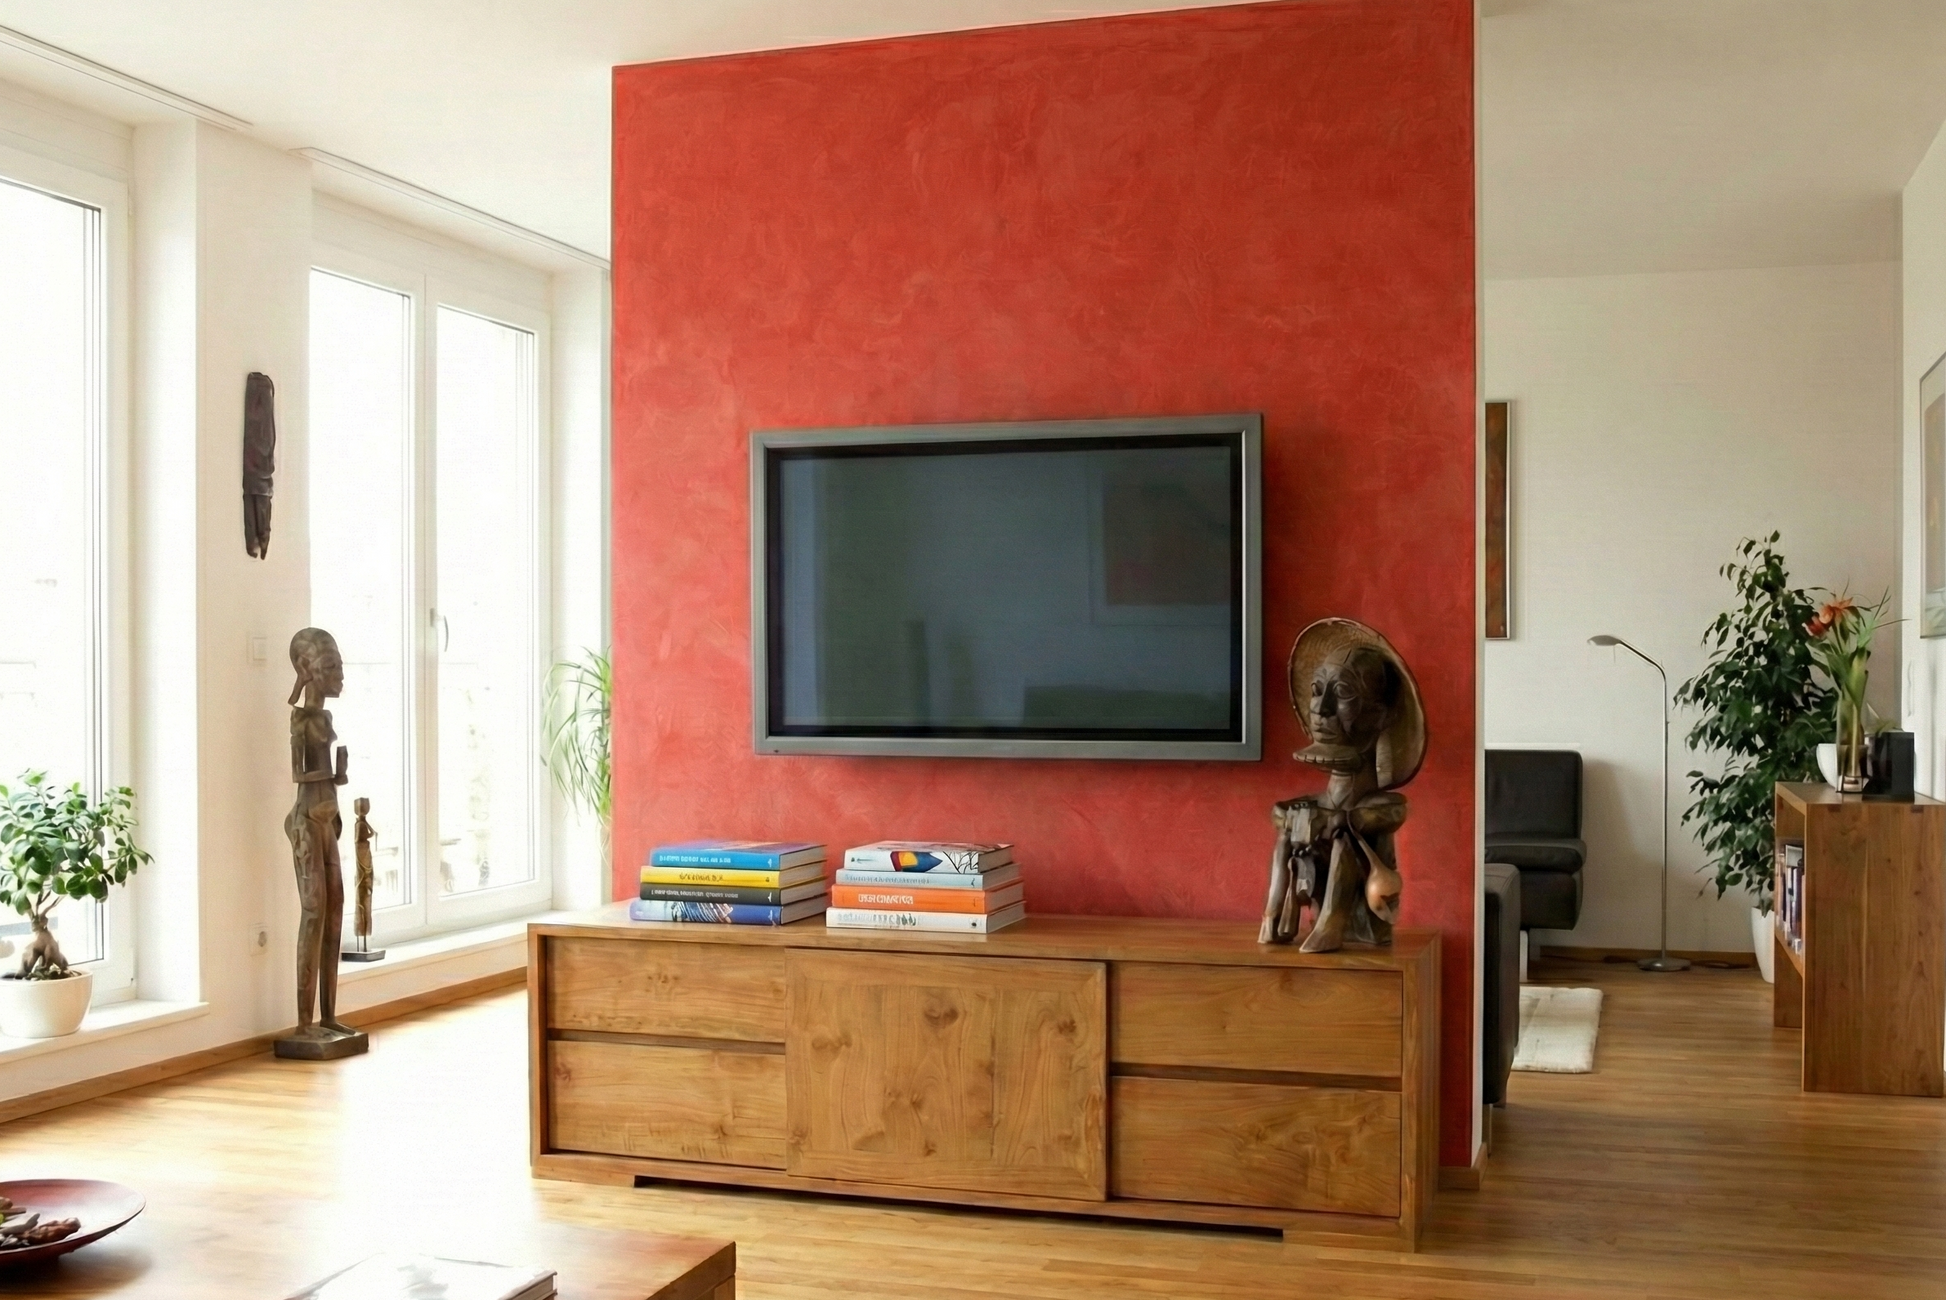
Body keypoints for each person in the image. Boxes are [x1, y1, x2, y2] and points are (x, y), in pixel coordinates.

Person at [284, 627, 356, 1042]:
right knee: (313, 914)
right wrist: (332, 772)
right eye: (331, 666)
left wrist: (339, 775)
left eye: (340, 666)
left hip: (327, 819)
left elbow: (325, 777)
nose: (339, 675)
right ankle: (303, 1023)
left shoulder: (325, 718)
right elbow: (299, 774)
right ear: (306, 668)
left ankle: (329, 1017)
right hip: (307, 821)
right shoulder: (301, 718)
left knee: (335, 913)